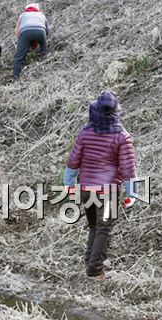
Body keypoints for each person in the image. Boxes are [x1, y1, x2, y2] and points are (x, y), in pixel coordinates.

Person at [64, 91, 137, 281]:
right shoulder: (122, 137)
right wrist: (132, 194)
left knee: (94, 227)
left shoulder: (85, 133)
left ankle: (90, 262)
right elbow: (128, 170)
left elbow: (73, 161)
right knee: (104, 229)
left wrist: (69, 185)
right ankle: (94, 271)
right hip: (108, 192)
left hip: (86, 190)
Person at [13, 3, 49, 80]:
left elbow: (17, 31)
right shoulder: (42, 15)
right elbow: (47, 31)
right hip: (41, 31)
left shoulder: (22, 15)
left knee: (18, 58)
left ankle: (16, 77)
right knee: (44, 51)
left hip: (25, 32)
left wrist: (22, 43)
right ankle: (46, 66)